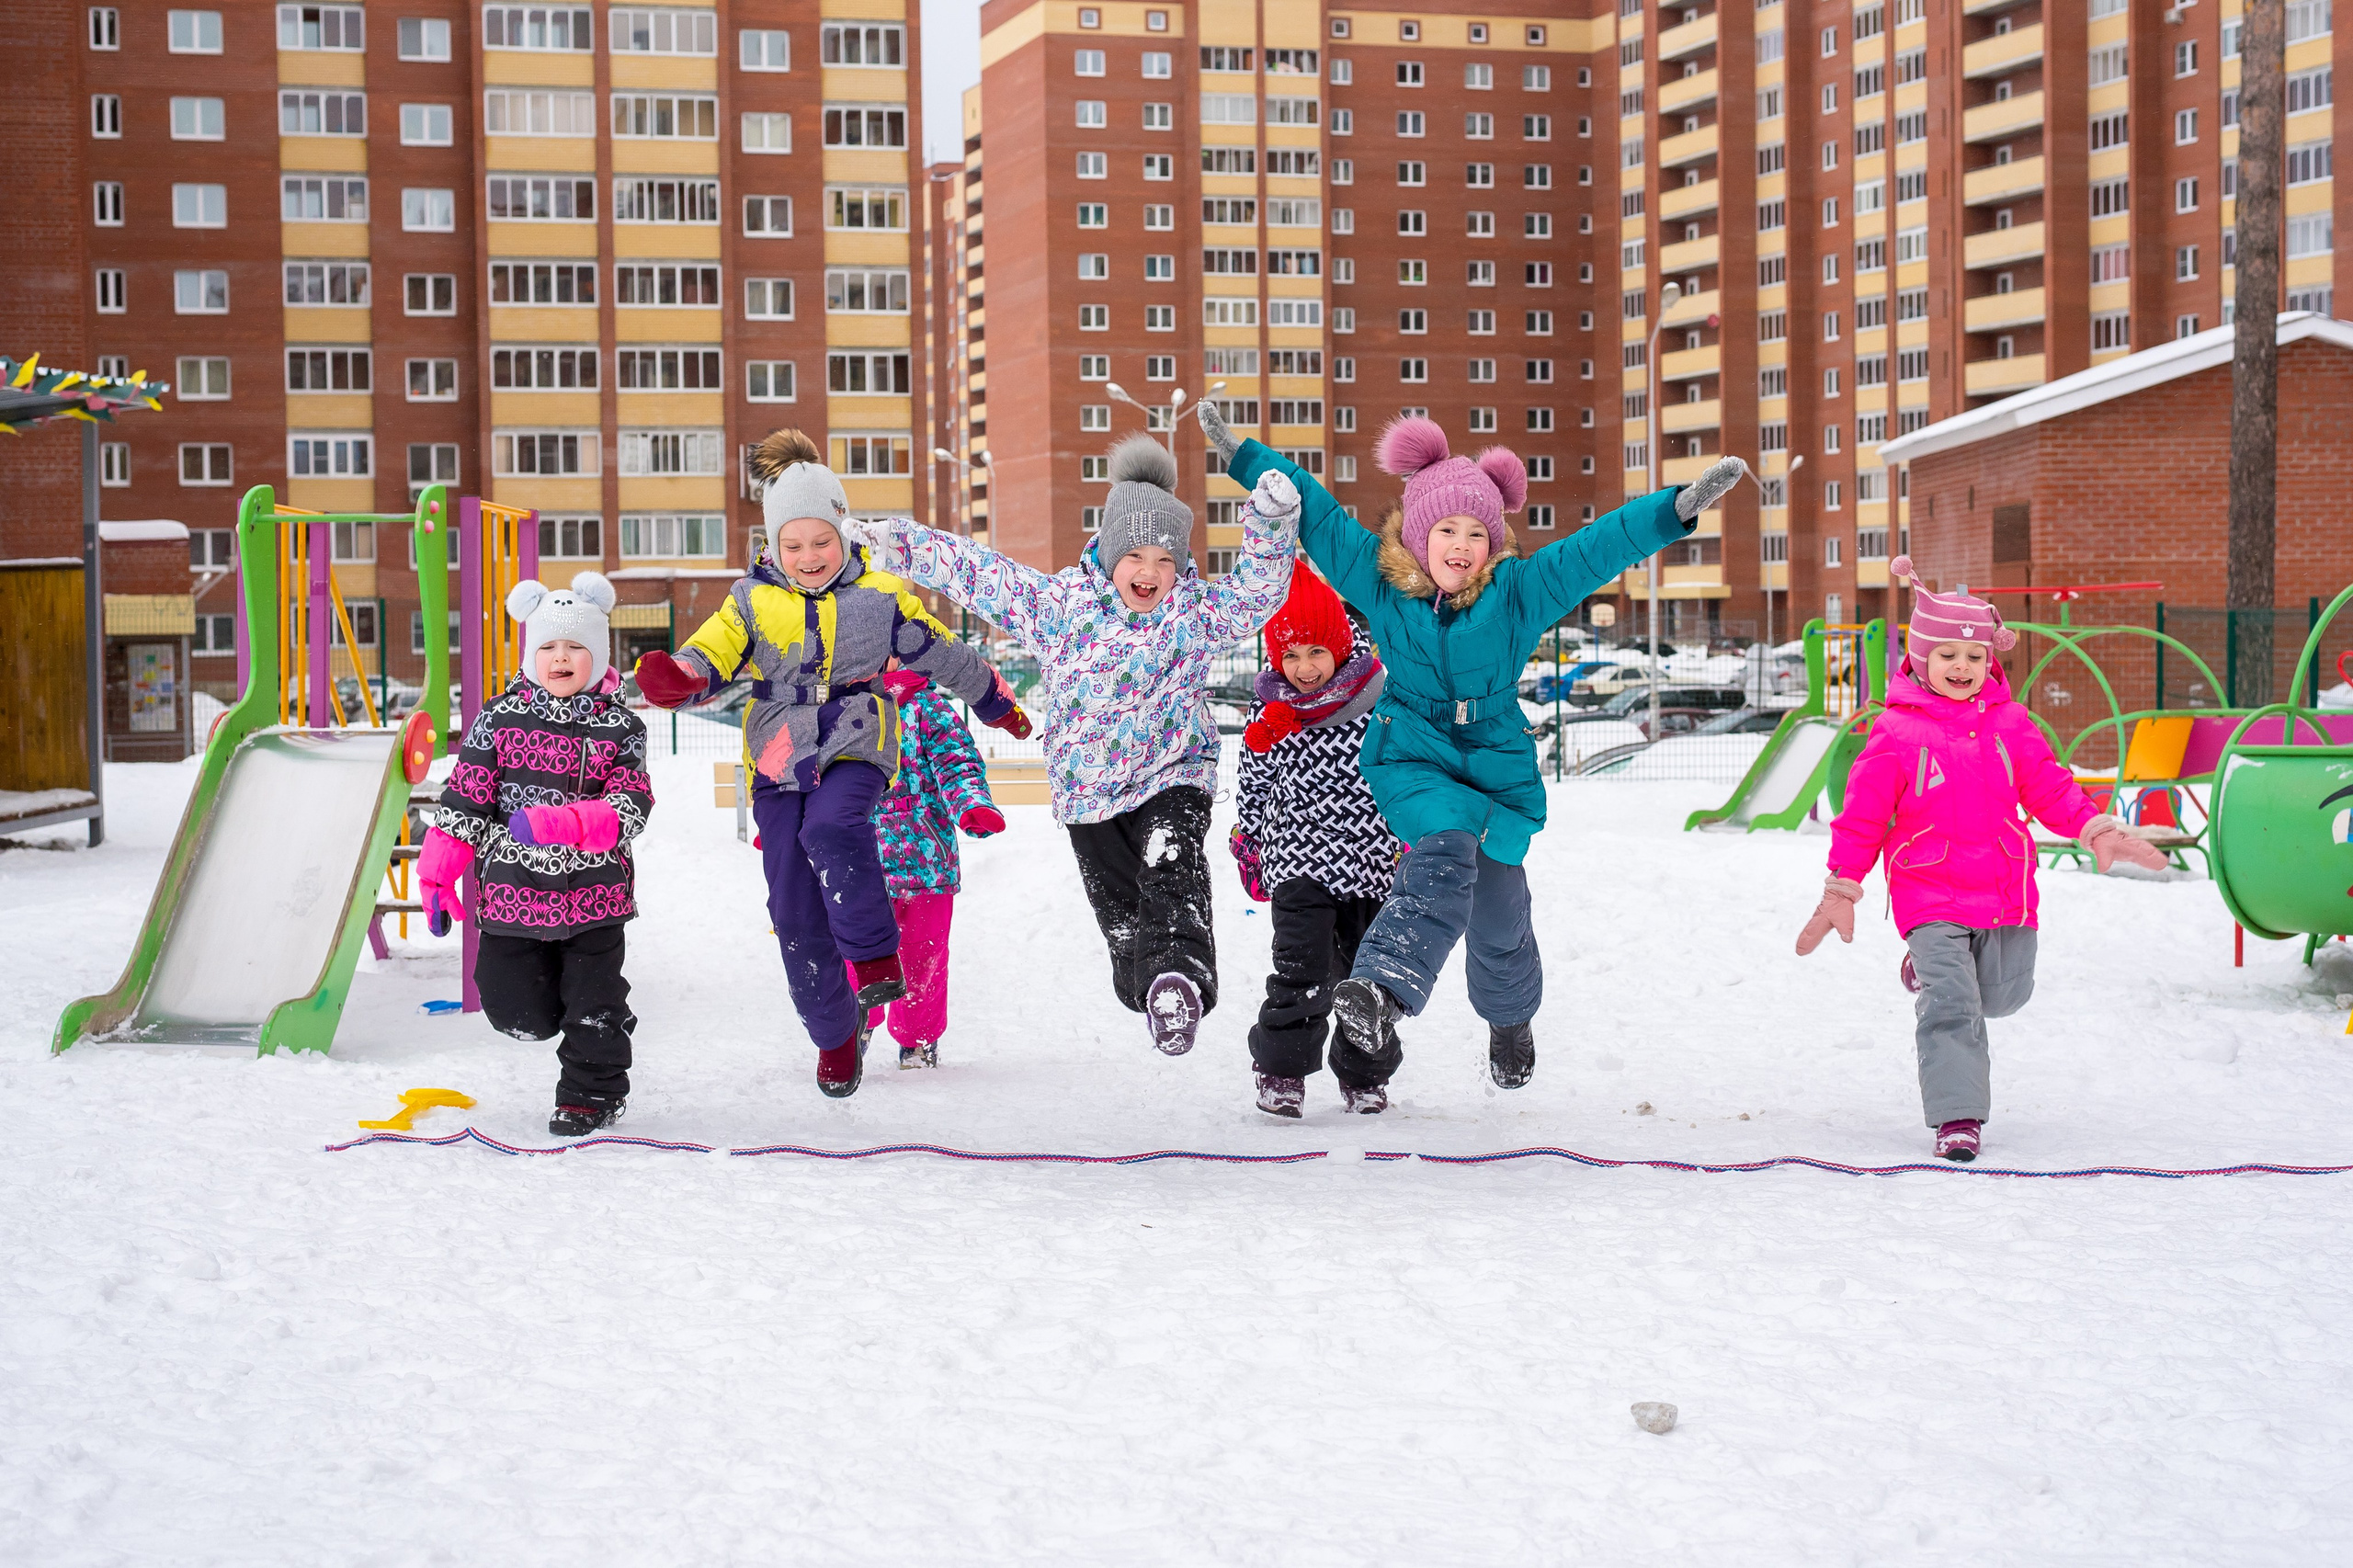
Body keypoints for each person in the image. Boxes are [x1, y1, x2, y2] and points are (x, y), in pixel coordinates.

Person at [1205, 403, 1743, 1109]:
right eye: (1447, 529)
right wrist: (1242, 455)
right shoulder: (1378, 582)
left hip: (1493, 756)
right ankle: (1381, 990)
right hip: (1414, 751)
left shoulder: (1518, 593)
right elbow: (1318, 511)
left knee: (1499, 911)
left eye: (1476, 533)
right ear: (1419, 533)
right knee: (1444, 846)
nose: (1461, 545)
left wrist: (1673, 510)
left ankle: (1510, 1018)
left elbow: (1597, 547)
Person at [860, 433, 1298, 1054]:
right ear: (1110, 551)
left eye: (1165, 560)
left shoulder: (1195, 613)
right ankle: (1147, 984)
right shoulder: (1059, 607)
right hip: (1090, 794)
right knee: (1123, 916)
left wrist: (1270, 522)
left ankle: (1182, 980)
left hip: (1174, 772)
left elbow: (1258, 593)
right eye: (1136, 556)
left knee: (1172, 870)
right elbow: (978, 574)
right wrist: (896, 543)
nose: (1149, 573)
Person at [632, 428, 1030, 1098]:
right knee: (791, 907)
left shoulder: (880, 598)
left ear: (843, 536)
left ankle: (876, 959)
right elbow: (711, 652)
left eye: (822, 540)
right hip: (779, 754)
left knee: (833, 828)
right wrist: (679, 676)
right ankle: (835, 1033)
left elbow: (945, 654)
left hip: (857, 736)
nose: (810, 556)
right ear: (773, 546)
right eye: (794, 544)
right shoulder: (749, 601)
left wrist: (994, 701)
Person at [1796, 557, 2167, 1162]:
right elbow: (1862, 816)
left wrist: (2093, 825)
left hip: (2002, 885)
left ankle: (1931, 972)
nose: (1962, 667)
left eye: (1973, 657)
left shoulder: (2011, 724)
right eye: (1947, 656)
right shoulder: (1895, 732)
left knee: (2003, 997)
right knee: (1953, 1006)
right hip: (1928, 890)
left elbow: (2048, 786)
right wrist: (1842, 887)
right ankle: (1957, 1116)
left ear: (1989, 661)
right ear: (1920, 658)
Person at [416, 572, 655, 1137]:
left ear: (597, 654)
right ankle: (561, 1019)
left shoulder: (622, 728)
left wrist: (567, 823)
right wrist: (436, 877)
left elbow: (632, 806)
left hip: (594, 898)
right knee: (513, 1010)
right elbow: (465, 798)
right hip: (510, 895)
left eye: (576, 646)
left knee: (592, 1003)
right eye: (547, 646)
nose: (561, 657)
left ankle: (589, 1094)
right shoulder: (497, 720)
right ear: (531, 653)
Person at [1232, 566, 1407, 1117]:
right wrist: (1250, 839)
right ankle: (1282, 1072)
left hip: (1373, 860)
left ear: (1338, 646)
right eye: (1289, 656)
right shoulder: (1275, 711)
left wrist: (1412, 837)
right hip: (1298, 858)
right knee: (1300, 968)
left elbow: (1406, 773)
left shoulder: (1381, 700)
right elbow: (1255, 779)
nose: (1303, 668)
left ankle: (1364, 1076)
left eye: (1314, 652)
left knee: (1364, 976)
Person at [860, 663, 1006, 1070]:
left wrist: (971, 803)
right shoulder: (845, 708)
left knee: (924, 955)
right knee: (854, 949)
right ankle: (854, 1025)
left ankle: (918, 1039)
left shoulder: (930, 709)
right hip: (861, 862)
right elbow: (817, 773)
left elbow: (957, 763)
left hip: (928, 863)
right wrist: (795, 823)